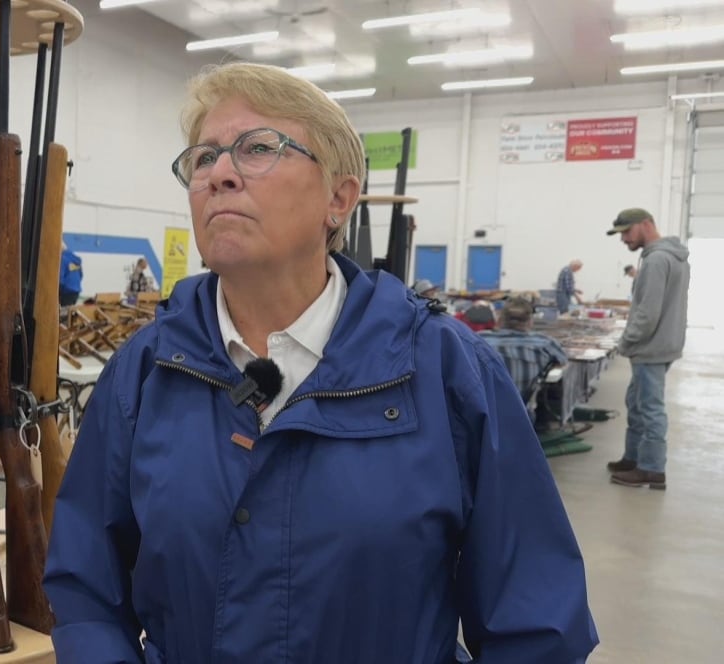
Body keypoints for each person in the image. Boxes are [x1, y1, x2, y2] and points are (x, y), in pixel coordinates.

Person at [43, 62, 597, 663]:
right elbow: (86, 589)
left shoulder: (444, 370)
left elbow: (536, 620)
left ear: (339, 197)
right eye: (203, 158)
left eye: (258, 148)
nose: (219, 174)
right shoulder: (144, 373)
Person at [605, 208, 690, 490]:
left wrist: (625, 342)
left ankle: (652, 468)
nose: (624, 239)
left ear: (646, 225)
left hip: (650, 346)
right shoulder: (672, 257)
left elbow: (647, 313)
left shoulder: (656, 260)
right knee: (637, 402)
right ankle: (633, 458)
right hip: (663, 343)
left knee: (650, 408)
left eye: (627, 232)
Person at [479, 297, 569, 401]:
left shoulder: (477, 341)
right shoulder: (545, 344)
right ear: (530, 321)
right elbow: (563, 361)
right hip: (520, 413)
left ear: (499, 319)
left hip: (477, 411)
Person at [59, 242, 84, 307]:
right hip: (76, 292)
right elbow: (81, 275)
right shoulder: (74, 259)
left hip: (66, 292)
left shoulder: (62, 259)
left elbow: (60, 279)